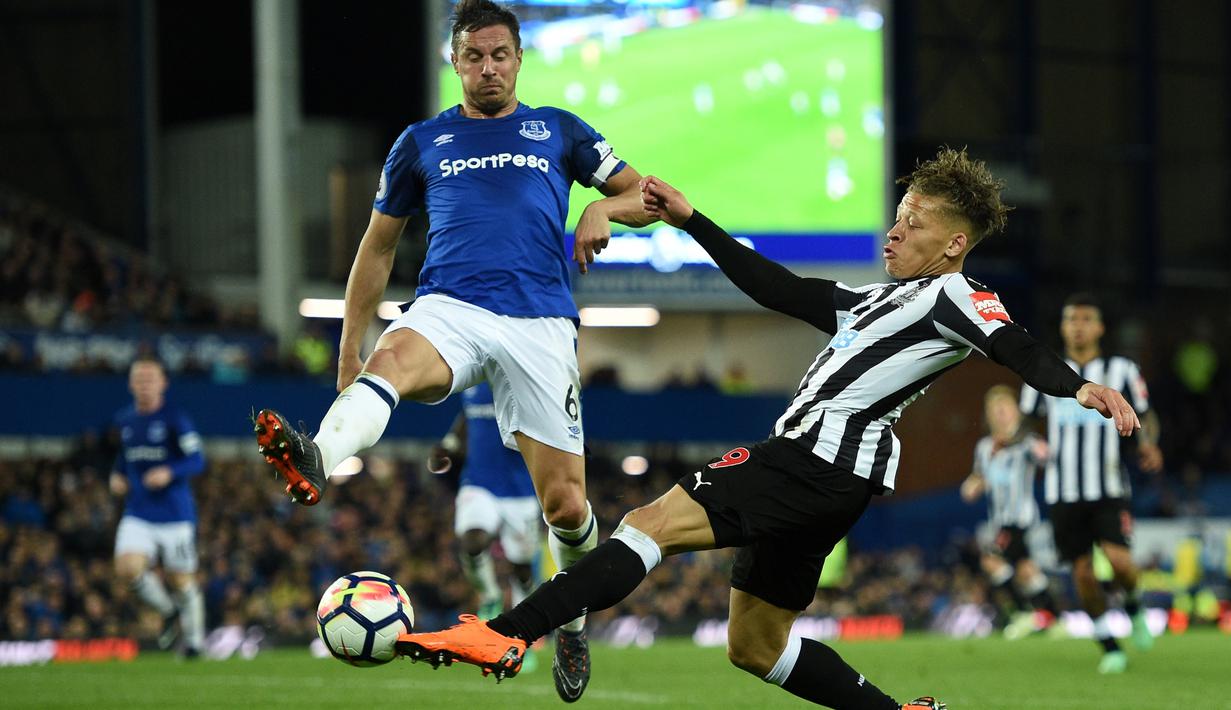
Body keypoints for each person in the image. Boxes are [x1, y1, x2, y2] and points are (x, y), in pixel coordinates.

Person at [392, 150, 1143, 710]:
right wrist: (691, 221)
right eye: (897, 214)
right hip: (829, 479)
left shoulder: (956, 292)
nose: (893, 230)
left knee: (647, 523)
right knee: (753, 648)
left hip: (814, 460)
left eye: (913, 224)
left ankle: (505, 631)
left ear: (951, 245)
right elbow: (773, 285)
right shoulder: (873, 303)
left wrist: (1078, 386)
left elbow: (1011, 344)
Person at [251, 0, 653, 700]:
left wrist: (596, 208)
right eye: (474, 55)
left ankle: (572, 624)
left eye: (500, 54)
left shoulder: (558, 129)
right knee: (390, 363)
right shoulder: (421, 141)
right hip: (451, 306)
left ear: (519, 58)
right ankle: (320, 452)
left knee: (565, 508)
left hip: (539, 321)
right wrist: (349, 360)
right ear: (454, 62)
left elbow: (643, 193)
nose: (488, 67)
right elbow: (375, 250)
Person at [1019, 293, 1163, 673]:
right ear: (1063, 326)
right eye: (1071, 319)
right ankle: (1110, 647)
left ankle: (1133, 603)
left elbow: (1146, 415)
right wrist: (1027, 445)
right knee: (1081, 572)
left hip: (1109, 486)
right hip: (1061, 490)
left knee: (1120, 562)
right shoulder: (1043, 370)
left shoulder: (1122, 369)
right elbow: (1026, 423)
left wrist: (1149, 445)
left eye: (1085, 319)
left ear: (1099, 327)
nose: (1077, 326)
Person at [430, 381, 543, 668]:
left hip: (521, 490)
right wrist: (449, 444)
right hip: (479, 483)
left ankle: (521, 638)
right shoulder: (474, 382)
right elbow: (467, 417)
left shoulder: (522, 381)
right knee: (472, 541)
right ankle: (490, 595)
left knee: (521, 569)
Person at [109, 356, 206, 656]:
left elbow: (197, 459)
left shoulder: (177, 419)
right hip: (138, 511)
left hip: (176, 515)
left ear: (163, 383)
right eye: (139, 379)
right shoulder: (125, 420)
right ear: (130, 384)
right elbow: (127, 457)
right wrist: (117, 475)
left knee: (181, 581)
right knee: (127, 568)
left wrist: (170, 471)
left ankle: (194, 644)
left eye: (150, 379)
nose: (144, 384)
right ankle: (168, 612)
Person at [959, 385, 1059, 639]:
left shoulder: (1024, 442)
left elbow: (1045, 456)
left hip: (1020, 518)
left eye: (1005, 407)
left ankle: (1022, 613)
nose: (1000, 413)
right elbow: (979, 477)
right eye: (995, 409)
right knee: (1026, 570)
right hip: (1000, 519)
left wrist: (1035, 445)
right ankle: (1053, 616)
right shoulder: (984, 447)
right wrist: (972, 485)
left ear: (1016, 412)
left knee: (991, 560)